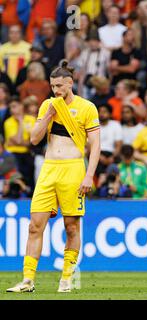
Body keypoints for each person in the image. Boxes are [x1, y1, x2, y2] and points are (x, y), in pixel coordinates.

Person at [6, 60, 100, 293]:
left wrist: (89, 175)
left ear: (70, 83)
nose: (56, 90)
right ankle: (28, 280)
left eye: (59, 86)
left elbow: (96, 145)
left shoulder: (87, 107)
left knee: (71, 228)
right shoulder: (48, 105)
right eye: (52, 86)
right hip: (49, 169)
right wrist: (48, 115)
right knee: (35, 226)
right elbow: (34, 139)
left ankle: (66, 279)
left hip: (73, 169)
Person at [3, 97, 36, 191]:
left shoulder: (31, 119)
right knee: (15, 168)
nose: (12, 110)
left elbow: (32, 141)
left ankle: (30, 193)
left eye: (14, 106)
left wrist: (21, 142)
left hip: (27, 153)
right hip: (12, 154)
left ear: (21, 106)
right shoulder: (8, 122)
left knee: (31, 167)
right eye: (10, 108)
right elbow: (18, 141)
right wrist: (21, 122)